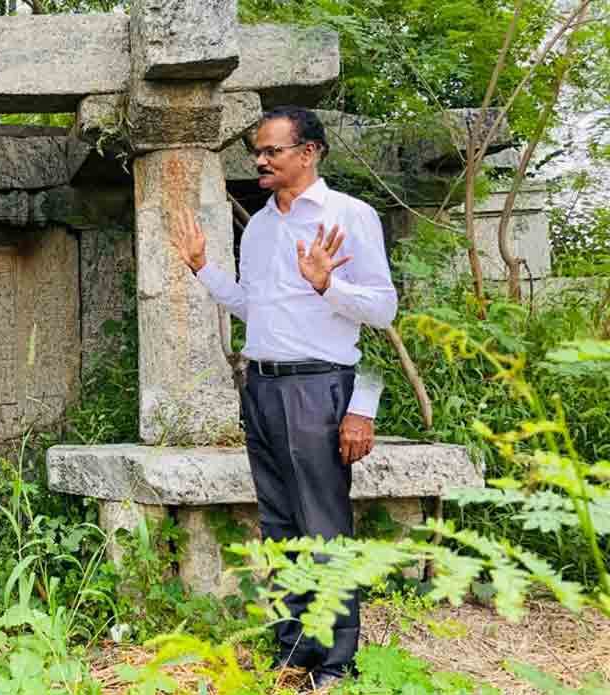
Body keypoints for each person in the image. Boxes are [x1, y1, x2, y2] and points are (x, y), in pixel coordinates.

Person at [170, 106, 398, 689]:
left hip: (319, 388)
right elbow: (255, 308)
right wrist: (204, 271)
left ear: (310, 152)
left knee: (324, 527)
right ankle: (294, 648)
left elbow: (384, 309)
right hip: (263, 386)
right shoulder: (266, 225)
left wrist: (328, 284)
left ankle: (337, 661)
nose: (260, 160)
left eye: (272, 150)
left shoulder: (352, 216)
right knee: (280, 526)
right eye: (257, 151)